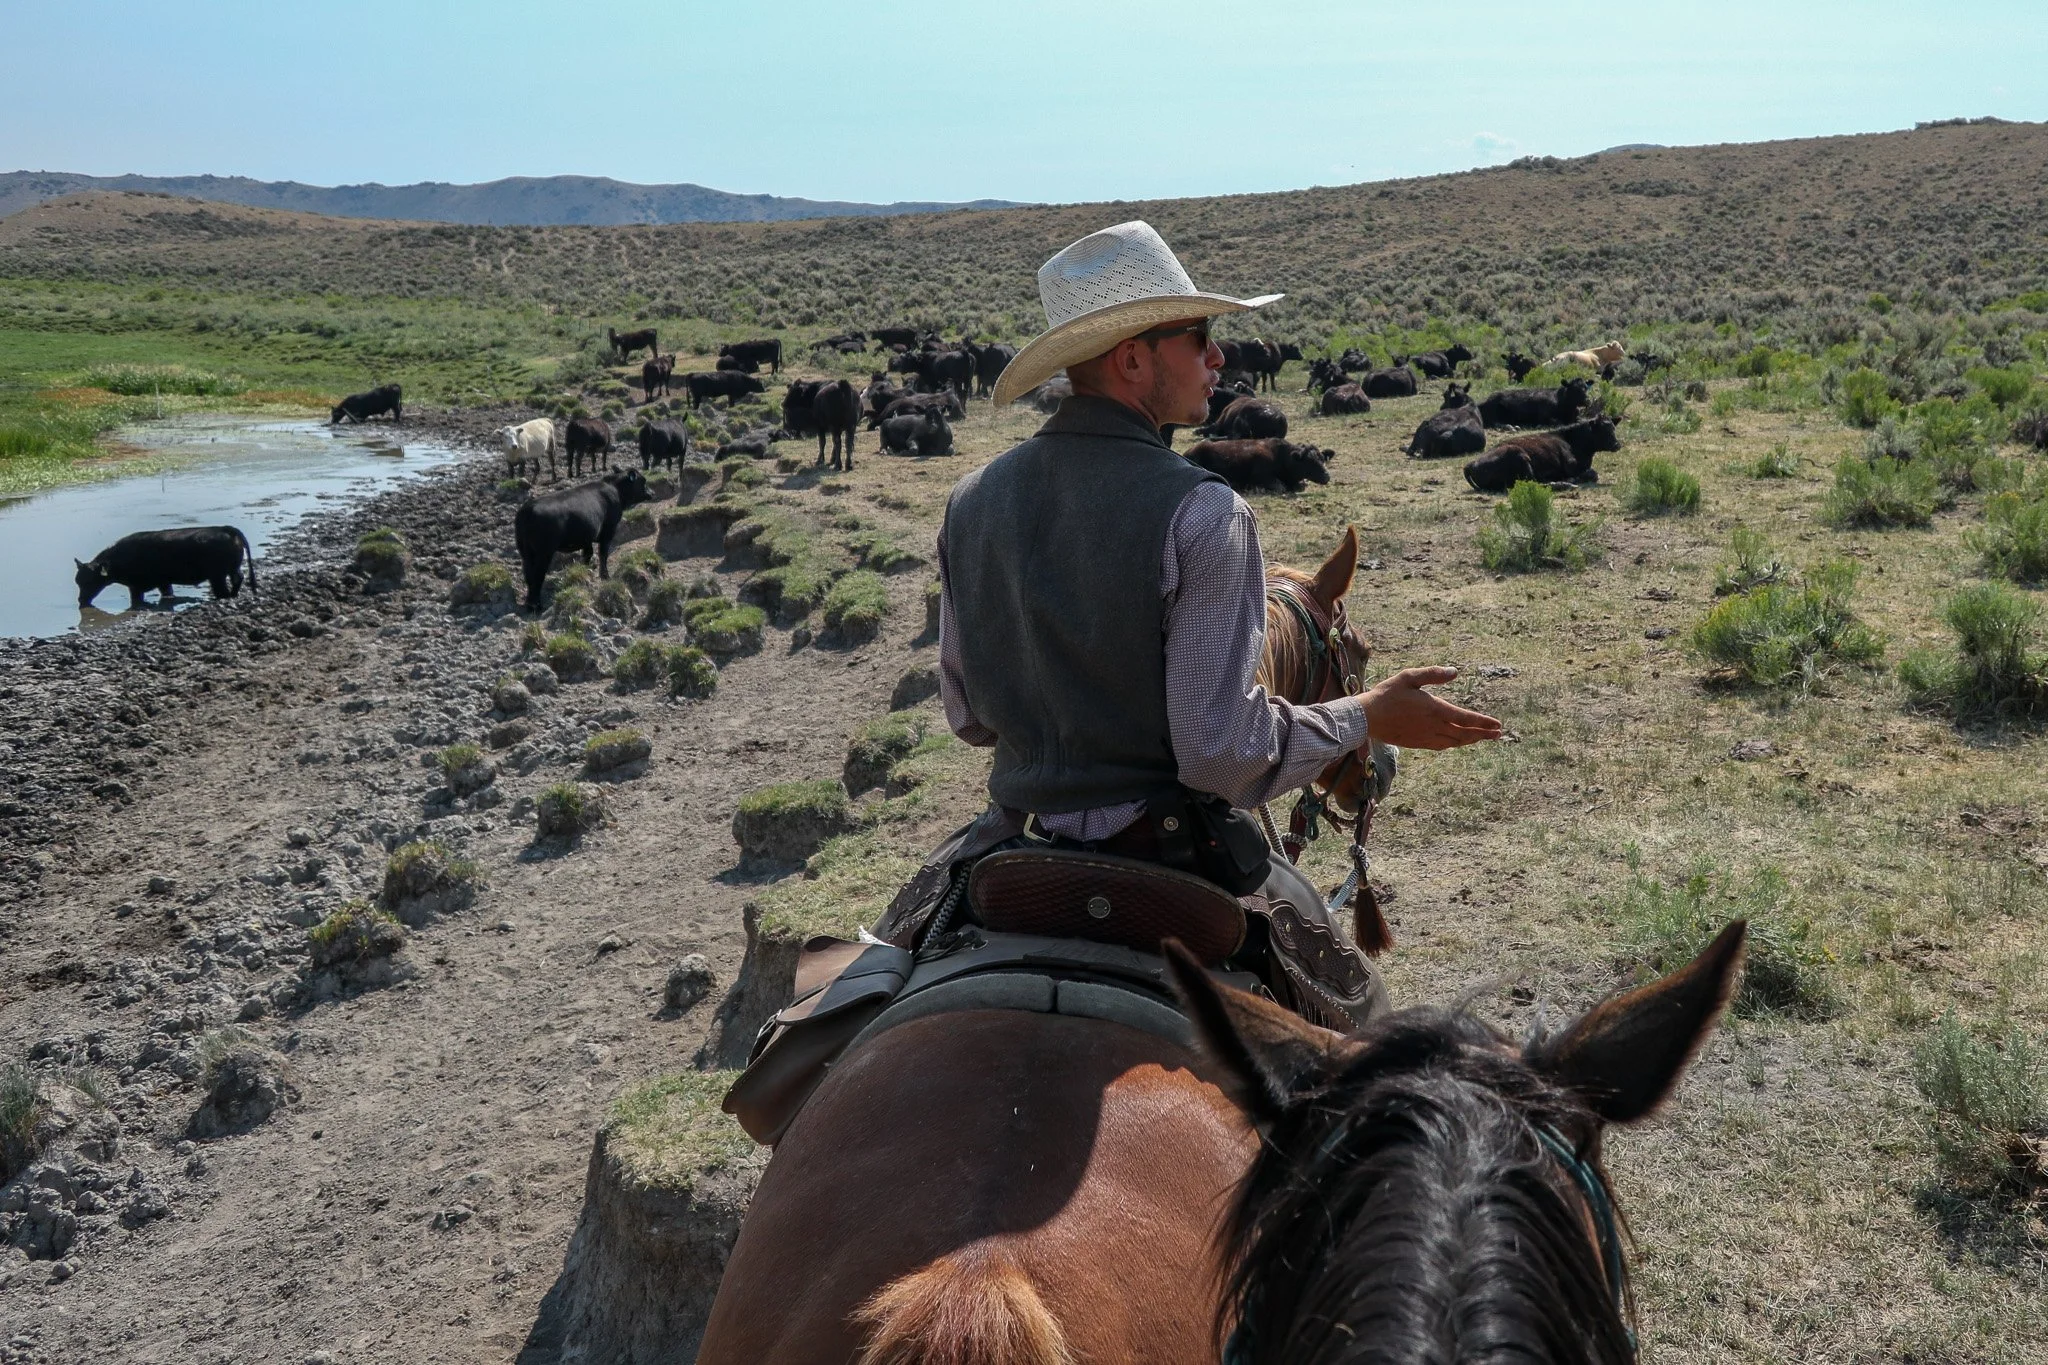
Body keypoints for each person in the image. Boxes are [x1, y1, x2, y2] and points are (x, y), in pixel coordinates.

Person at [901, 221, 1501, 1027]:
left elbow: (969, 716)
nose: (1220, 358)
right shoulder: (1205, 512)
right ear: (1133, 359)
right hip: (1168, 850)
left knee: (865, 981)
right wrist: (1365, 713)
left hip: (1018, 841)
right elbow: (1218, 752)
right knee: (1364, 1026)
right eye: (1202, 337)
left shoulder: (969, 500)